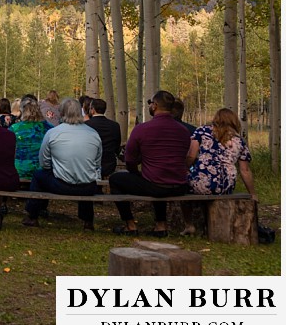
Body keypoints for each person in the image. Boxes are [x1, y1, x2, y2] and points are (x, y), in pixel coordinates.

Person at [109, 90, 192, 237]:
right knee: (155, 176)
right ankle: (160, 225)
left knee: (116, 179)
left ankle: (130, 224)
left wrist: (135, 173)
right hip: (180, 185)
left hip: (156, 185)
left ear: (154, 106)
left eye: (150, 103)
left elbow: (129, 159)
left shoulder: (142, 129)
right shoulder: (184, 131)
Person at [22, 98, 103, 231]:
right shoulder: (93, 134)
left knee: (38, 175)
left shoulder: (53, 133)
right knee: (85, 174)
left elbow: (44, 163)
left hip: (61, 185)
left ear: (61, 113)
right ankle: (88, 221)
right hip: (88, 186)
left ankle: (32, 215)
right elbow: (97, 163)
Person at [182, 108, 257, 236]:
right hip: (225, 185)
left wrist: (184, 170)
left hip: (202, 182)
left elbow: (191, 156)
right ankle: (208, 225)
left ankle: (189, 225)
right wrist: (253, 194)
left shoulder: (201, 131)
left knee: (183, 186)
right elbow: (245, 170)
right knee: (208, 188)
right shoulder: (239, 141)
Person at [11, 96, 50, 180]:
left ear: (21, 111)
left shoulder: (14, 128)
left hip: (19, 171)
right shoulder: (47, 128)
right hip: (42, 172)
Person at [85, 98, 122, 178]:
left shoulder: (86, 125)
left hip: (90, 165)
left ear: (93, 110)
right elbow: (117, 146)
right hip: (109, 165)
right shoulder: (115, 125)